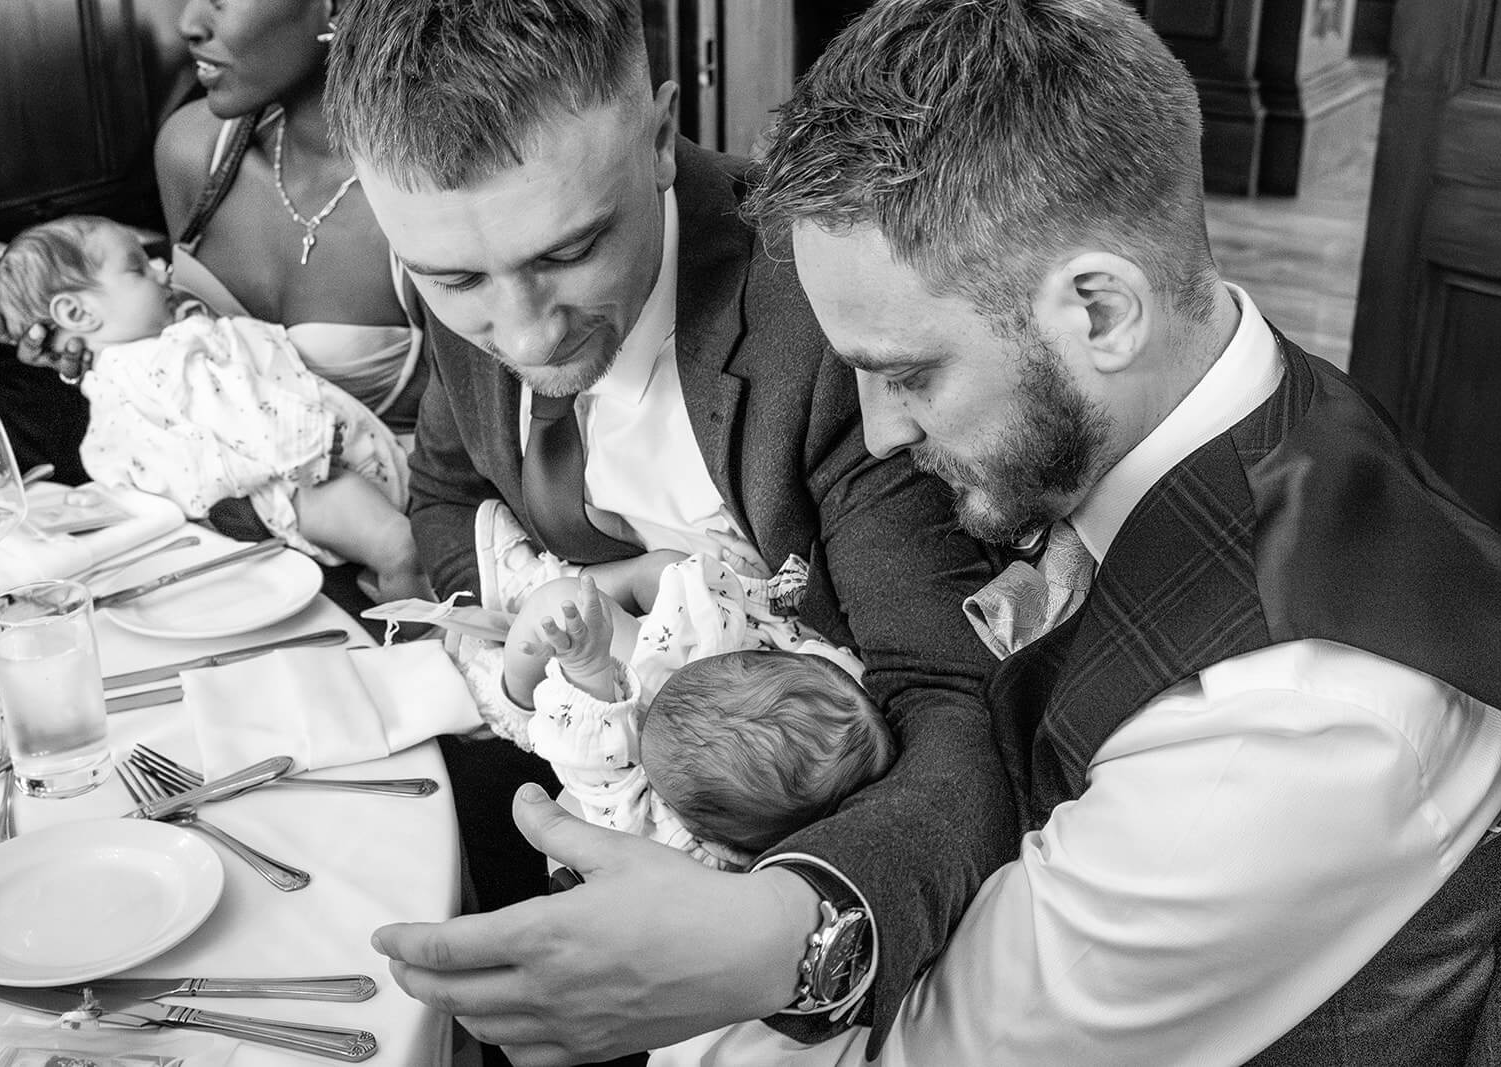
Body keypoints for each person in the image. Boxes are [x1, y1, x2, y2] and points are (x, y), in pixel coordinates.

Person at [657, 0, 1501, 1063]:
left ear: (1100, 310)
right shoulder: (1218, 391)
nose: (876, 433)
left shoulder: (1289, 722)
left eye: (909, 372)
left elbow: (934, 1049)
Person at [324, 0, 1013, 1062]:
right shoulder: (448, 260)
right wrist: (558, 638)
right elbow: (445, 500)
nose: (521, 333)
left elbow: (951, 694)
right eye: (456, 282)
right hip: (572, 774)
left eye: (571, 251)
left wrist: (788, 926)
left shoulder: (825, 306)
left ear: (655, 138)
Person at [0, 0, 426, 434]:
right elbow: (174, 372)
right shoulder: (193, 152)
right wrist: (98, 354)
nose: (188, 24)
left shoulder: (424, 187)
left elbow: (467, 450)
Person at [0, 215, 429, 602]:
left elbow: (115, 462)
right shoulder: (160, 360)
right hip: (304, 479)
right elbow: (239, 413)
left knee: (394, 538)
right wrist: (306, 446)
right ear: (77, 313)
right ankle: (423, 647)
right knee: (400, 547)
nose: (161, 271)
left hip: (292, 482)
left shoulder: (113, 378)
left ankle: (388, 594)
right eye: (136, 268)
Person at [505, 565, 892, 873]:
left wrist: (588, 668)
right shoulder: (841, 698)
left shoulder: (671, 843)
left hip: (605, 733)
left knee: (553, 600)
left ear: (717, 846)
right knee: (655, 570)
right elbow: (818, 661)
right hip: (687, 669)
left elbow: (602, 775)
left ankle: (512, 701)